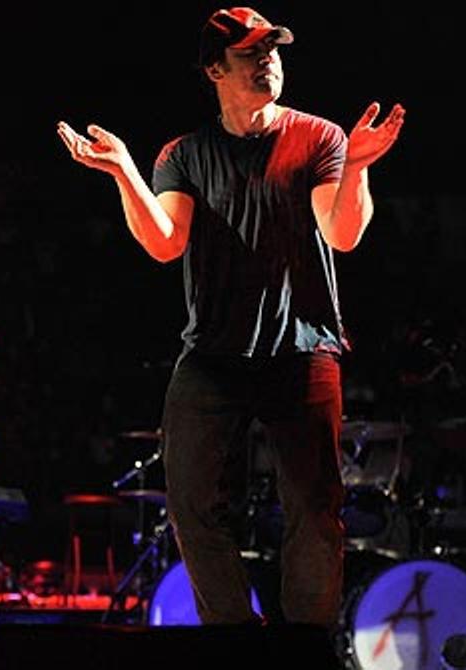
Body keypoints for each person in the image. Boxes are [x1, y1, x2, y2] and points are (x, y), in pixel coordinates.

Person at [57, 7, 404, 626]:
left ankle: (304, 652)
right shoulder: (185, 155)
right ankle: (237, 643)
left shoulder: (320, 138)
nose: (268, 60)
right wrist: (125, 171)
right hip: (214, 356)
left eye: (273, 50)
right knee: (191, 506)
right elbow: (165, 241)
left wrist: (359, 165)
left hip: (302, 351)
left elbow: (342, 232)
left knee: (316, 514)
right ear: (215, 69)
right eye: (251, 54)